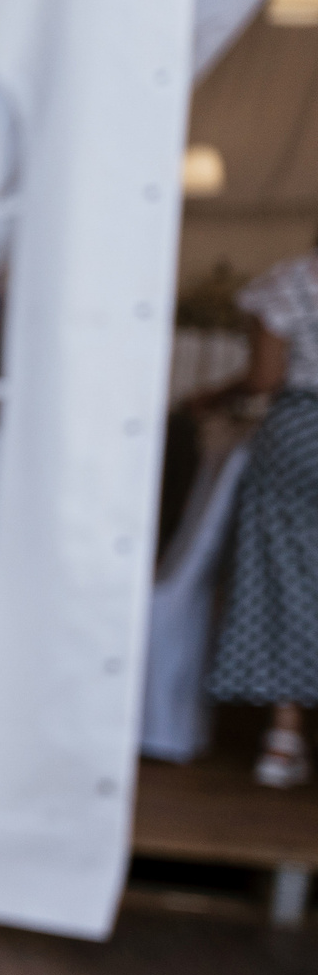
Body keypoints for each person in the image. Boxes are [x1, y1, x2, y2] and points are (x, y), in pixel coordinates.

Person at [205, 235, 318, 786]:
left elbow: (264, 381)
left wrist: (213, 396)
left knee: (286, 580)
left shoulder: (292, 280)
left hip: (300, 433)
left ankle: (283, 737)